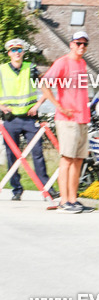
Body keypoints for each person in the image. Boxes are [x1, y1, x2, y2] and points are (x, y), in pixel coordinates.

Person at [39, 32, 96, 213]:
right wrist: (59, 106)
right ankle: (64, 201)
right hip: (67, 119)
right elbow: (44, 84)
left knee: (79, 160)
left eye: (85, 44)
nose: (82, 47)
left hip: (82, 118)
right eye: (78, 43)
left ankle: (73, 199)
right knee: (67, 159)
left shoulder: (82, 63)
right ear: (71, 44)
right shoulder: (62, 63)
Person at [0, 38, 50, 200]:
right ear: (9, 53)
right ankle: (16, 190)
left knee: (37, 152)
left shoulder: (31, 68)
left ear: (23, 52)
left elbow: (46, 88)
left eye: (19, 50)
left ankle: (46, 187)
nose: (17, 53)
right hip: (10, 119)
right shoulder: (2, 70)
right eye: (13, 50)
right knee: (11, 156)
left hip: (29, 119)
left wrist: (37, 106)